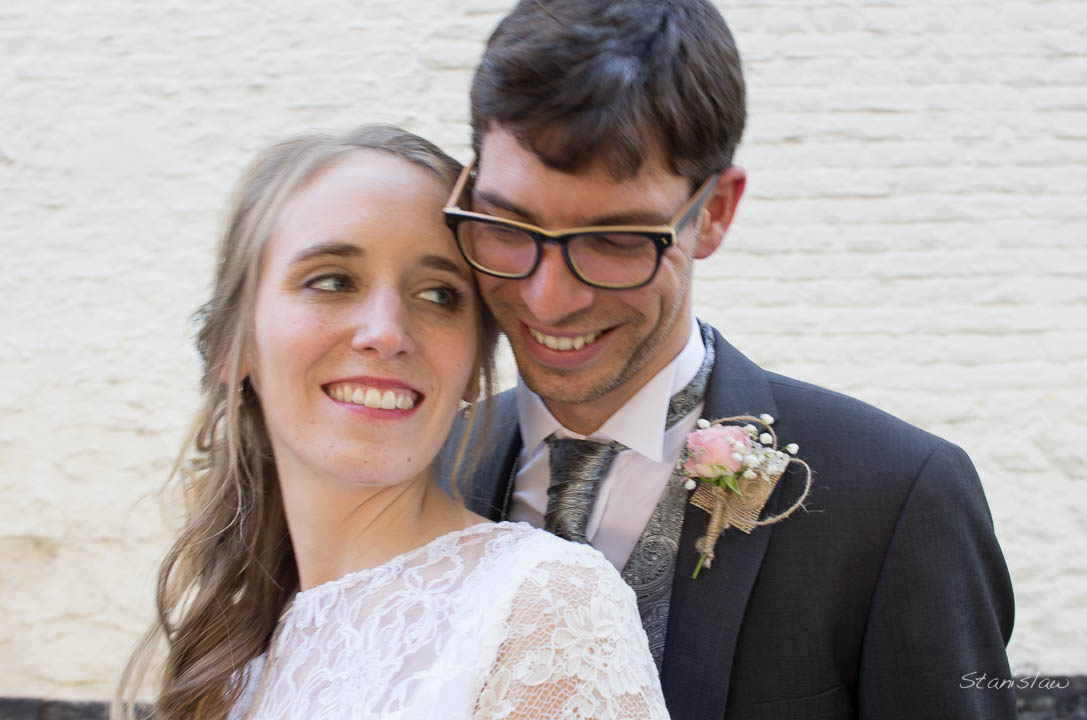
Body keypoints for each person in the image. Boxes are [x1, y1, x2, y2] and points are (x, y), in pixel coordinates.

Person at [439, 1, 1018, 718]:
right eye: (509, 224)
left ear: (713, 212)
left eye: (616, 239)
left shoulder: (897, 502)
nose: (547, 298)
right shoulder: (425, 472)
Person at [113, 125, 670, 720]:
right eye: (331, 281)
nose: (386, 332)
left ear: (471, 371)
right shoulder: (234, 652)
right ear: (235, 346)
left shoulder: (540, 610)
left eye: (437, 295)